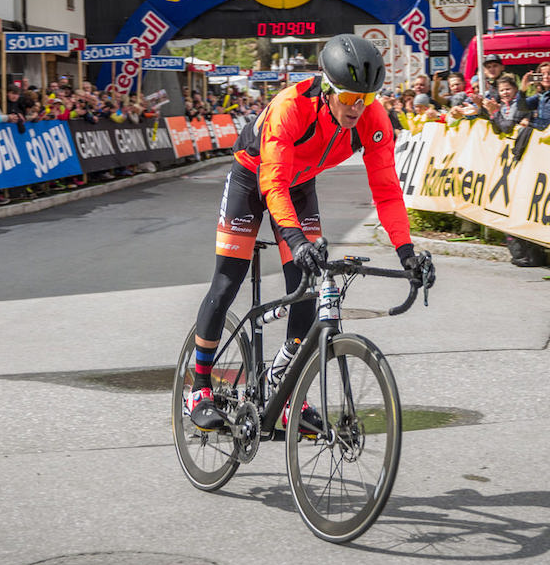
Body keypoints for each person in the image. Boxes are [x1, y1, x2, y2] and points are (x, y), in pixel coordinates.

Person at [185, 34, 435, 431]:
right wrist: (296, 239)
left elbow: (387, 192)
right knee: (227, 279)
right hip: (253, 178)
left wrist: (407, 252)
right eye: (349, 97)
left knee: (306, 282)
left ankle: (287, 392)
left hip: (300, 185)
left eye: (366, 98)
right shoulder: (291, 107)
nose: (357, 108)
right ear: (328, 89)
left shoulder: (373, 120)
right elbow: (273, 184)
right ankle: (198, 389)